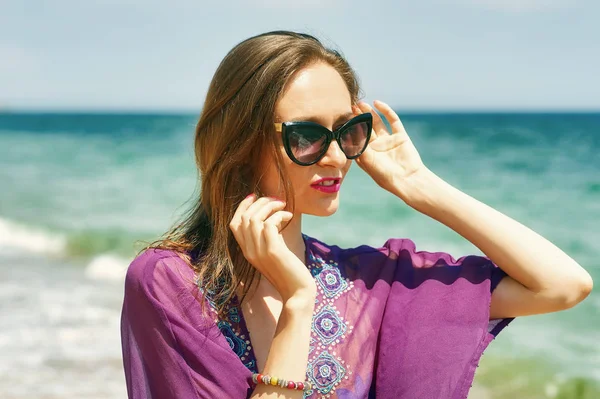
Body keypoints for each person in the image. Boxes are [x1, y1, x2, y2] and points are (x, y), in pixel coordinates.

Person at [119, 31, 593, 399]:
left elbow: (561, 284)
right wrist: (299, 303)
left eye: (348, 132)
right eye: (306, 135)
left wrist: (419, 185)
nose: (337, 158)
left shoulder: (370, 284)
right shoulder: (172, 283)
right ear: (240, 142)